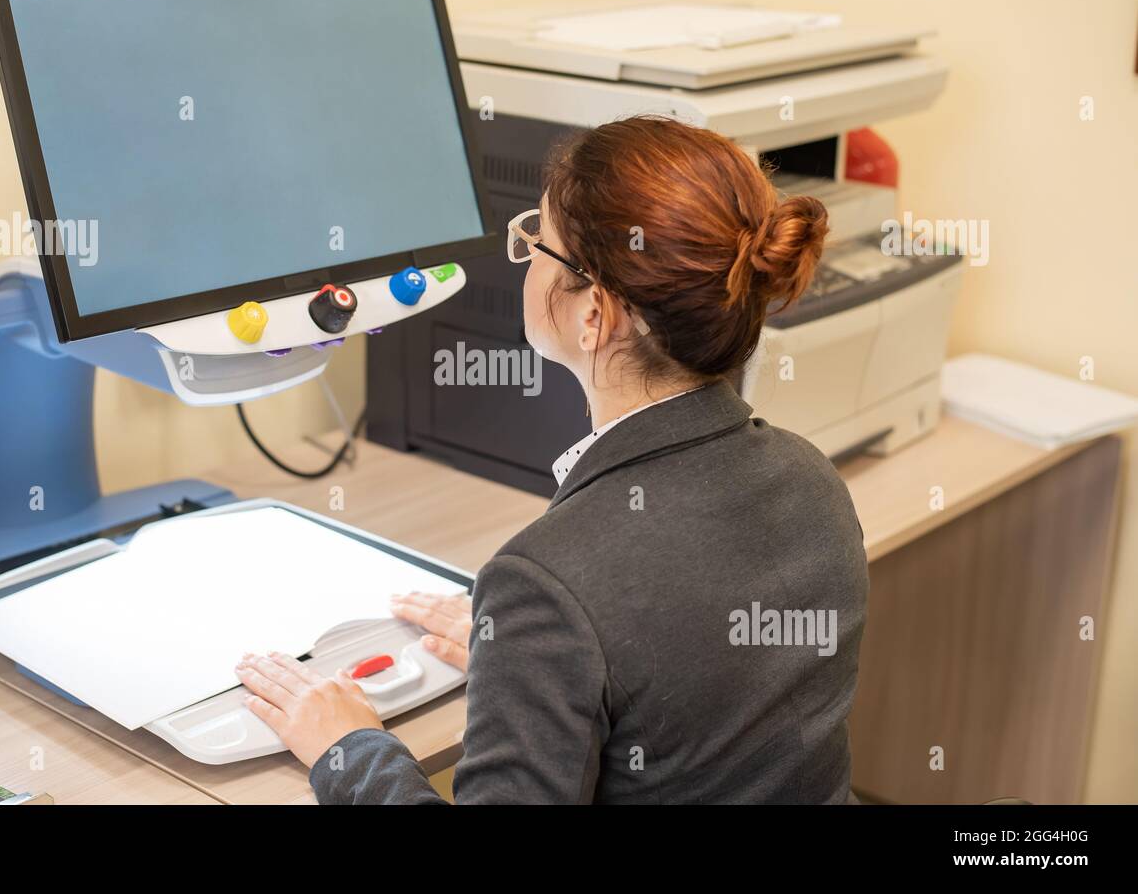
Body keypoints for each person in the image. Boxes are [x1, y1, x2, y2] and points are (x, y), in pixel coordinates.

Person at [234, 116, 869, 804]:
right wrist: (543, 667)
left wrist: (349, 749)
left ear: (594, 313)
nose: (528, 251)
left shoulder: (545, 580)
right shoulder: (814, 481)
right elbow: (684, 680)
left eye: (543, 239)